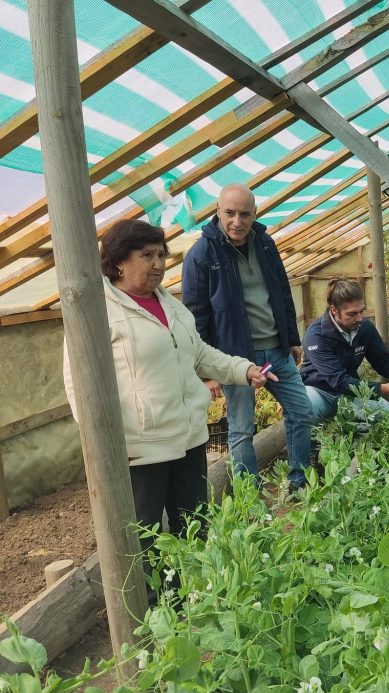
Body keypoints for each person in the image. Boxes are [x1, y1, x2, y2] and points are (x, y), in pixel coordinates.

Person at [63, 219, 272, 547]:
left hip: (188, 437)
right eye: (147, 255)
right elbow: (78, 382)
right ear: (118, 261)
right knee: (145, 540)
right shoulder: (98, 312)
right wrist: (102, 439)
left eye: (161, 255)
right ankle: (156, 598)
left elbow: (199, 353)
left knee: (193, 529)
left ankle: (192, 597)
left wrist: (242, 369)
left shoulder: (170, 304)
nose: (158, 263)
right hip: (142, 448)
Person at [181, 184, 313, 492]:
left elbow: (281, 290)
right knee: (241, 429)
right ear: (217, 211)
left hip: (275, 350)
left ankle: (299, 481)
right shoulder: (201, 255)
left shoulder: (265, 243)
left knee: (301, 411)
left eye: (244, 214)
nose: (237, 222)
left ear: (255, 214)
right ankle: (248, 495)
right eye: (229, 213)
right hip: (235, 357)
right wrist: (206, 371)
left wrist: (292, 338)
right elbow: (195, 317)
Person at [301, 278, 389, 425]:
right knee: (306, 408)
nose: (360, 318)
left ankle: (354, 435)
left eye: (362, 311)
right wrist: (382, 389)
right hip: (320, 393)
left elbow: (383, 362)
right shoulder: (316, 336)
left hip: (349, 394)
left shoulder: (364, 328)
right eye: (352, 314)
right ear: (334, 310)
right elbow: (338, 380)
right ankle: (314, 448)